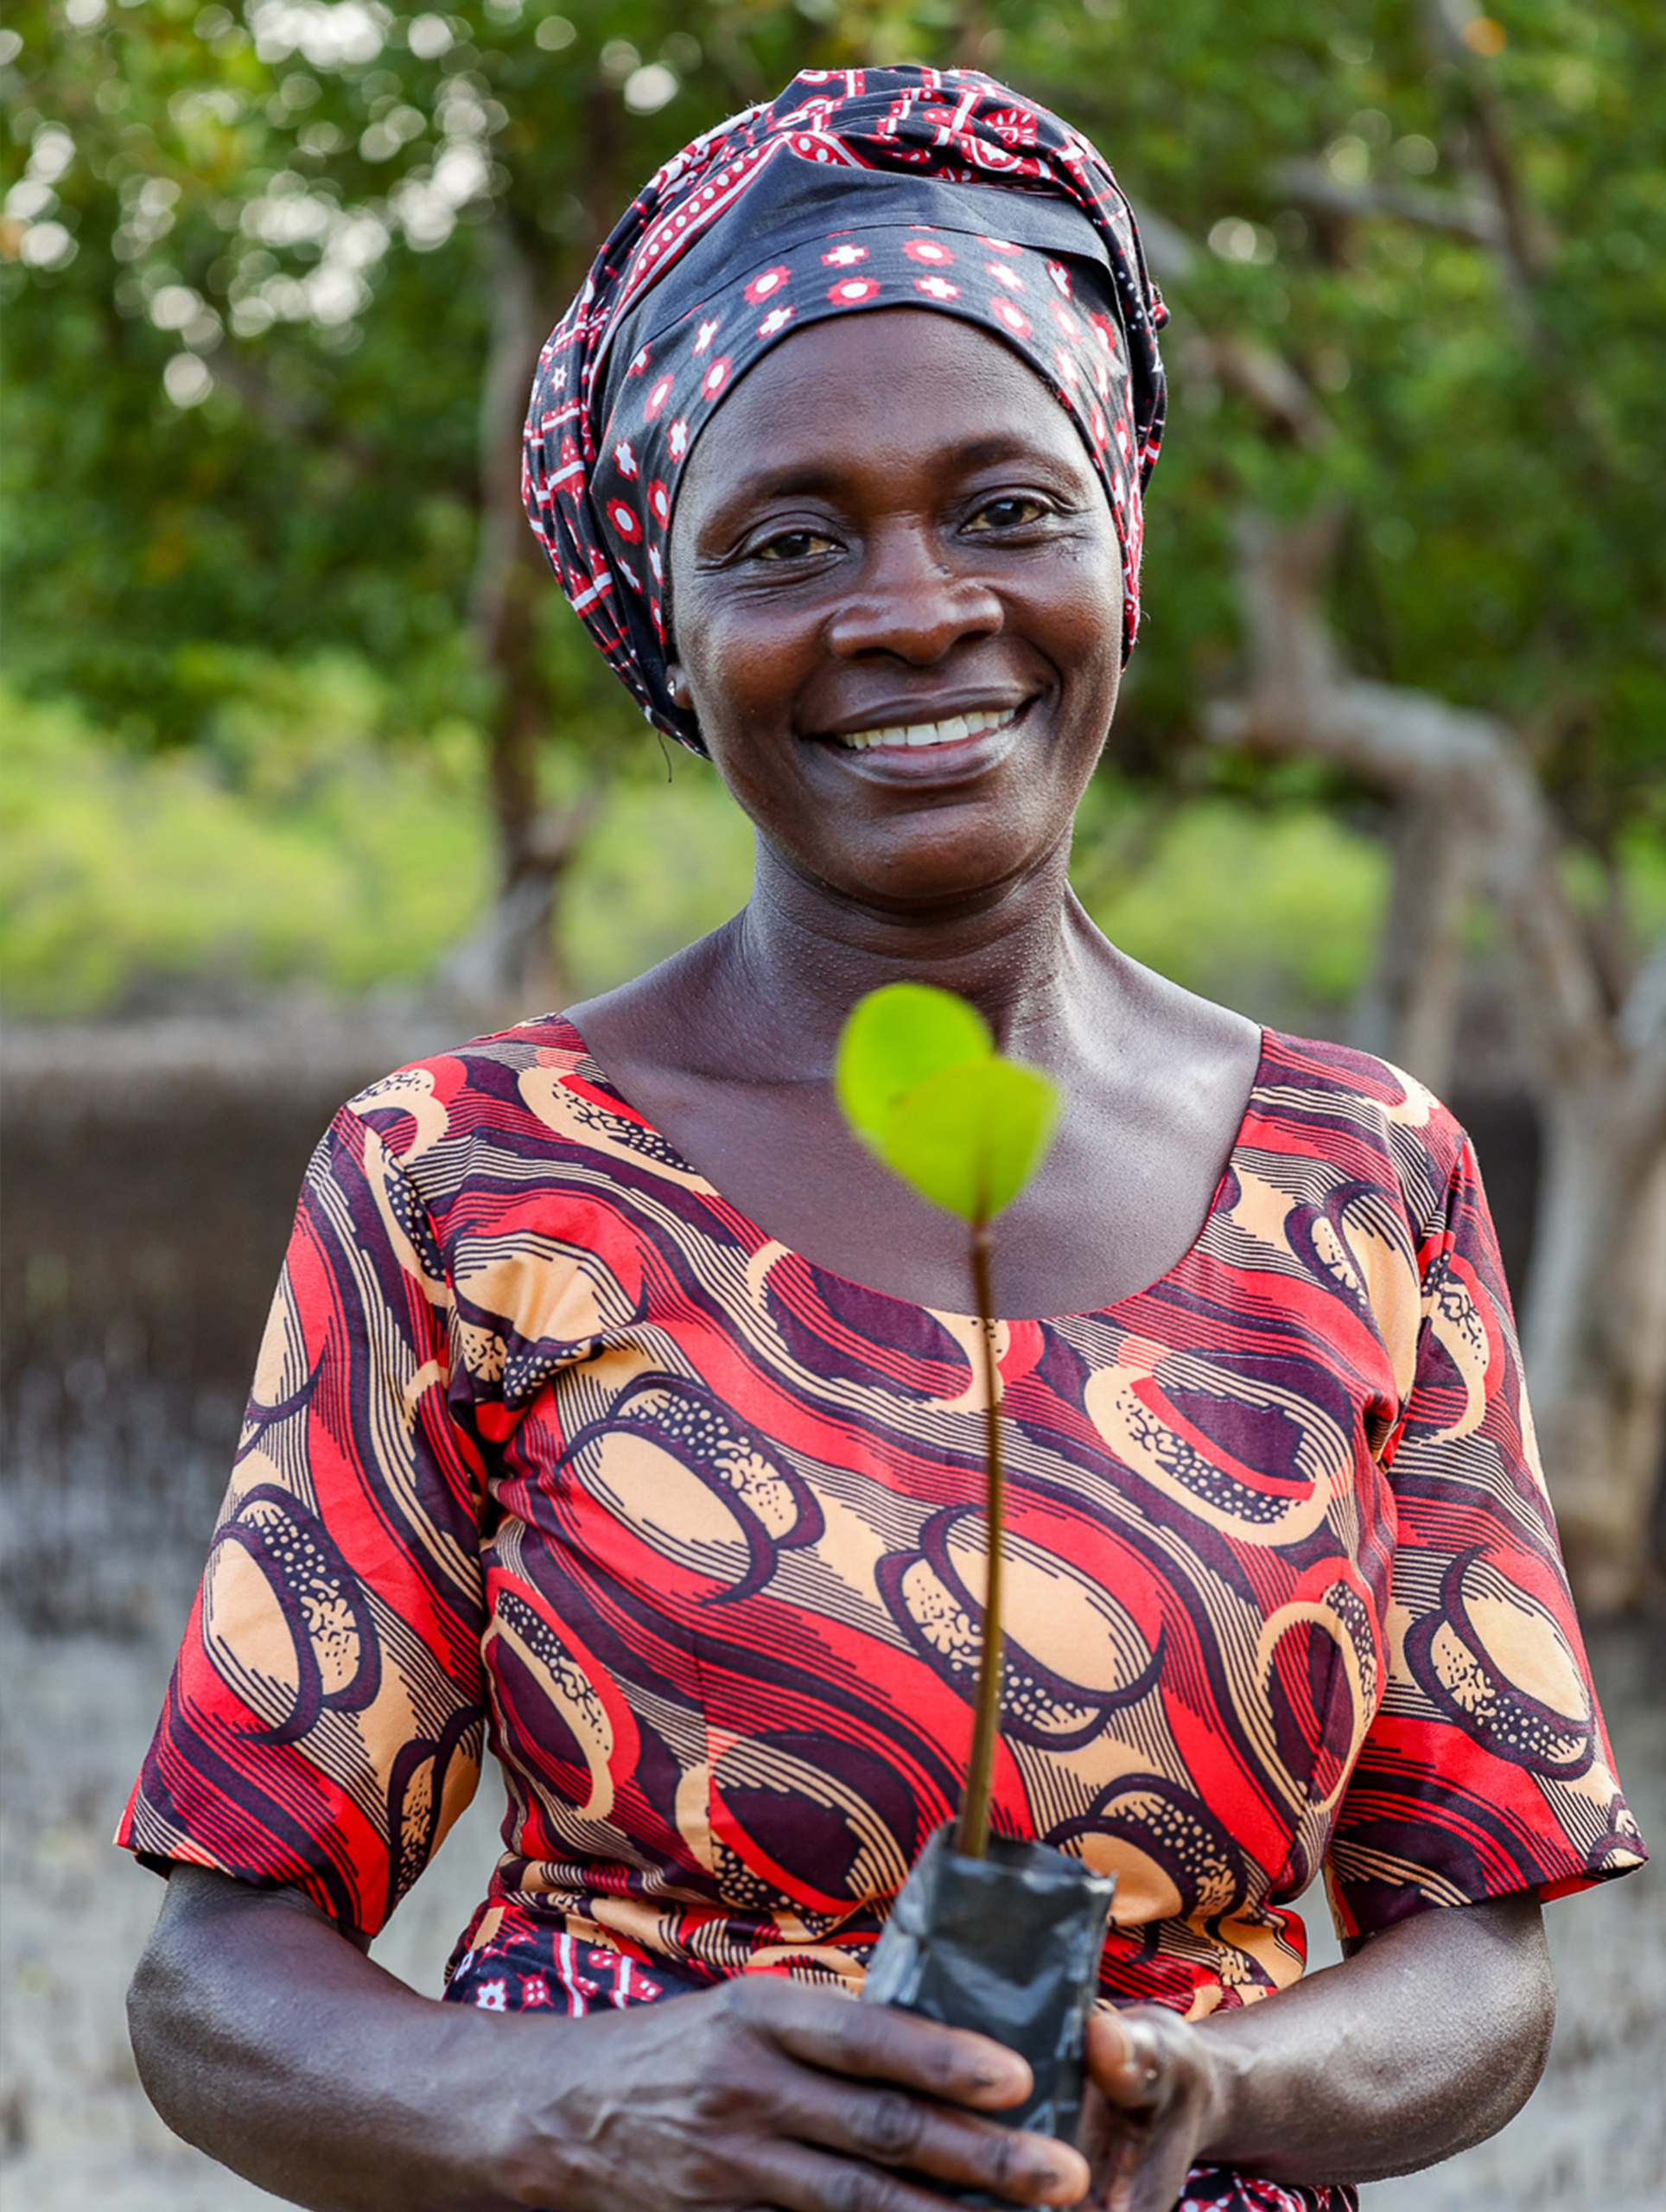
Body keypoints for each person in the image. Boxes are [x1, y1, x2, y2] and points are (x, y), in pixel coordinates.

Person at [121, 66, 1645, 2212]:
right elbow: (214, 1980)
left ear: (1119, 541)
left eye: (1004, 507)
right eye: (791, 539)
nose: (915, 606)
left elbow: (1479, 1948)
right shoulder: (467, 1178)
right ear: (671, 623)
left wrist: (1207, 2085)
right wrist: (596, 2100)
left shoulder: (1362, 1176)